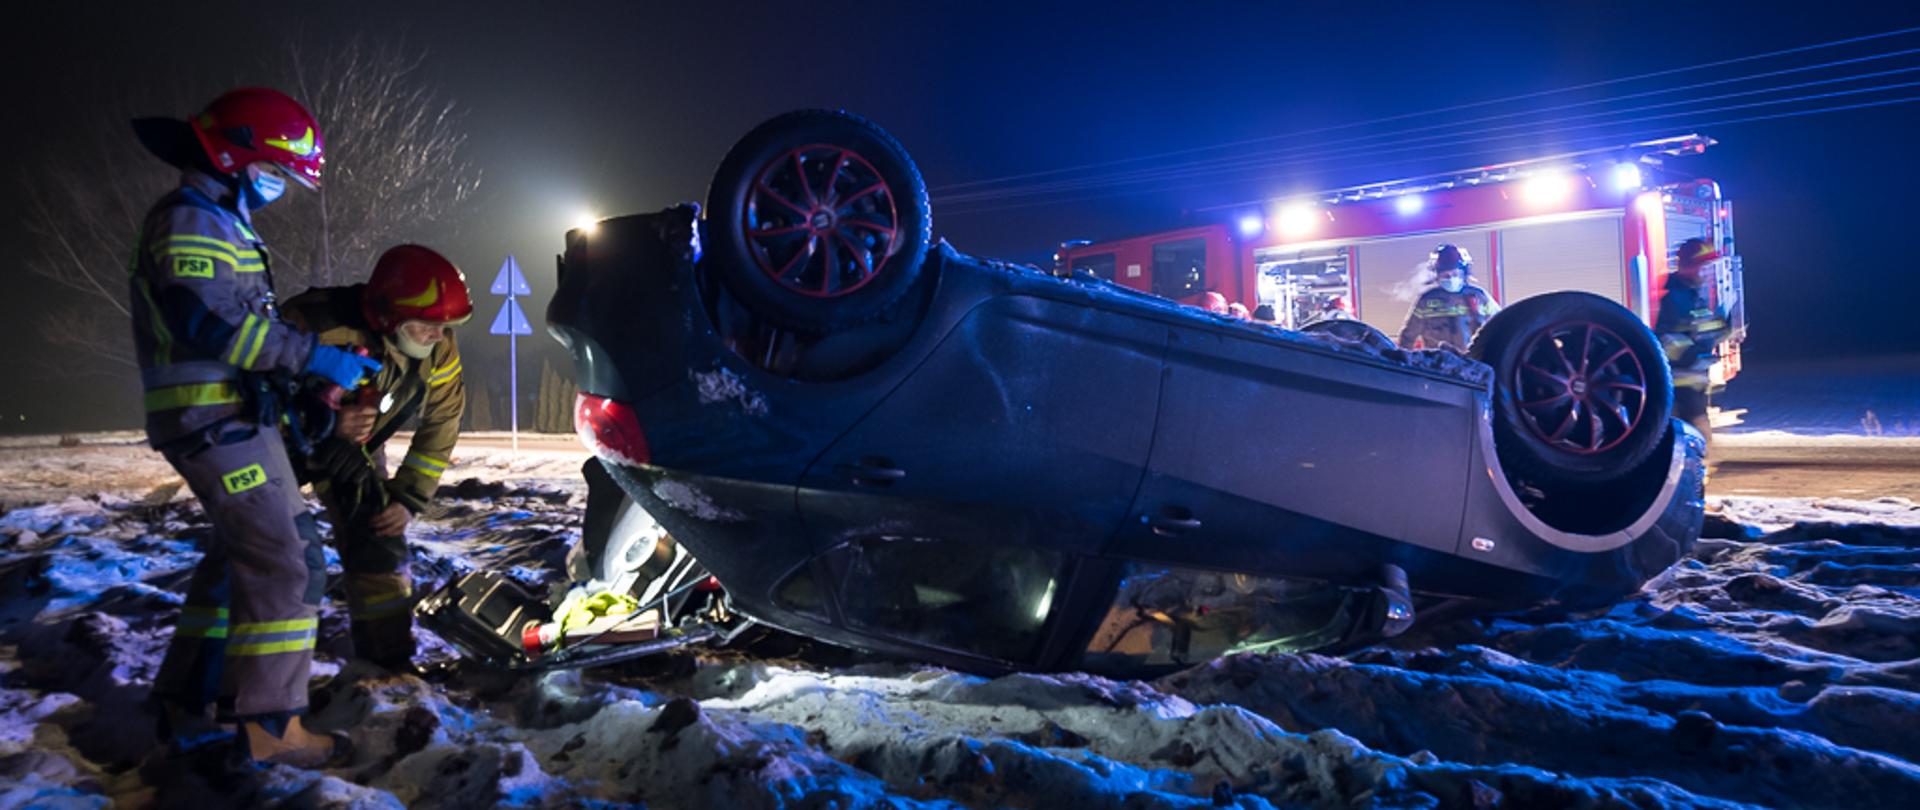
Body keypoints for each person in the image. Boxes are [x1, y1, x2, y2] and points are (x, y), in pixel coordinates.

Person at [129, 87, 379, 767]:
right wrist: (312, 354)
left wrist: (303, 382)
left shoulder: (217, 220)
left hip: (226, 417)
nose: (279, 189)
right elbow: (210, 326)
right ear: (235, 157)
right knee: (290, 564)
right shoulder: (190, 220)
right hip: (214, 423)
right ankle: (272, 731)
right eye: (275, 173)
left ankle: (188, 699)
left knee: (240, 564)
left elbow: (238, 333)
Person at [282, 245, 472, 671]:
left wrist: (407, 497)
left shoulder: (437, 347)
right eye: (428, 326)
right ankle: (214, 685)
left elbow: (442, 421)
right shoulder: (313, 325)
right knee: (266, 556)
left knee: (379, 539)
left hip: (353, 455)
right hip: (272, 449)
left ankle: (388, 662)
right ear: (391, 316)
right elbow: (252, 399)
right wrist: (323, 428)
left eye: (446, 326)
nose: (440, 337)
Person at [1655, 237, 1729, 452]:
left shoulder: (1691, 294)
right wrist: (1693, 357)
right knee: (1695, 436)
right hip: (1682, 382)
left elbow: (1699, 327)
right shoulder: (1674, 298)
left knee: (1694, 436)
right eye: (1703, 267)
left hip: (1694, 383)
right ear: (1688, 268)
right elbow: (1666, 338)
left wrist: (1721, 327)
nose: (1707, 273)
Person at [1396, 244, 1499, 351]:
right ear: (1437, 276)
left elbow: (1500, 325)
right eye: (1446, 275)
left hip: (1472, 361)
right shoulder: (1427, 301)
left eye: (1455, 274)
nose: (1451, 279)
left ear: (1464, 274)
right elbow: (1408, 336)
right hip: (1439, 363)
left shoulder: (1479, 297)